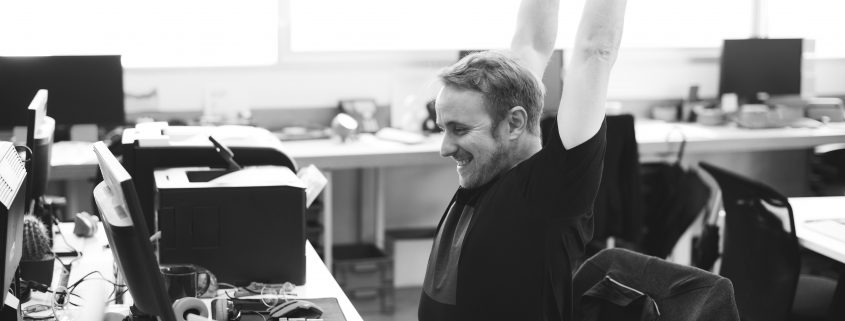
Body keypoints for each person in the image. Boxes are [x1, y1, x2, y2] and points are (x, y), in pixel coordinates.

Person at [419, 0, 627, 320]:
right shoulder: (490, 169)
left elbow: (595, 52)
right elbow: (529, 42)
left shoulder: (550, 191)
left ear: (514, 123)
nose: (445, 148)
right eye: (443, 129)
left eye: (459, 130)